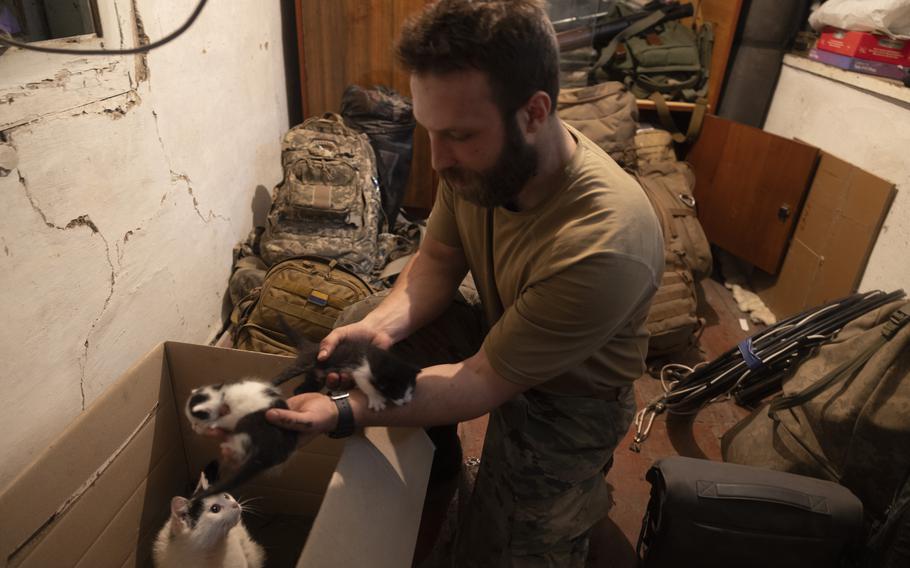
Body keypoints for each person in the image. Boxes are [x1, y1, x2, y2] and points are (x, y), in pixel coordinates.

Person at [266, 0, 664, 565]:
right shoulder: (478, 160)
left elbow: (479, 383)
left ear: (533, 113)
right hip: (503, 325)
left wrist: (345, 409)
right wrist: (378, 330)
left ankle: (566, 508)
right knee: (359, 332)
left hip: (571, 393)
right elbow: (435, 263)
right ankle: (438, 464)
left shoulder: (606, 240)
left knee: (504, 549)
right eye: (429, 130)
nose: (438, 159)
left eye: (456, 135)